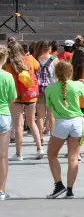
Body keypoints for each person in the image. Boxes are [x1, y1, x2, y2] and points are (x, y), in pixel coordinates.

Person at [44, 61, 84, 198]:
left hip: (61, 122)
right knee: (73, 159)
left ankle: (59, 185)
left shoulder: (50, 88)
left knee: (52, 155)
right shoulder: (77, 85)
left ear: (56, 73)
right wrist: (83, 82)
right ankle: (70, 190)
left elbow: (49, 107)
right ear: (71, 72)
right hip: (77, 122)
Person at [7, 42, 43, 161]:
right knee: (32, 122)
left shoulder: (8, 66)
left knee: (19, 125)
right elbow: (38, 67)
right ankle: (39, 148)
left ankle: (19, 153)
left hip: (17, 97)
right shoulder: (29, 60)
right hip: (30, 96)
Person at [0, 47, 14, 200]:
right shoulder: (7, 76)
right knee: (3, 156)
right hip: (3, 114)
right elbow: (12, 98)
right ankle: (1, 190)